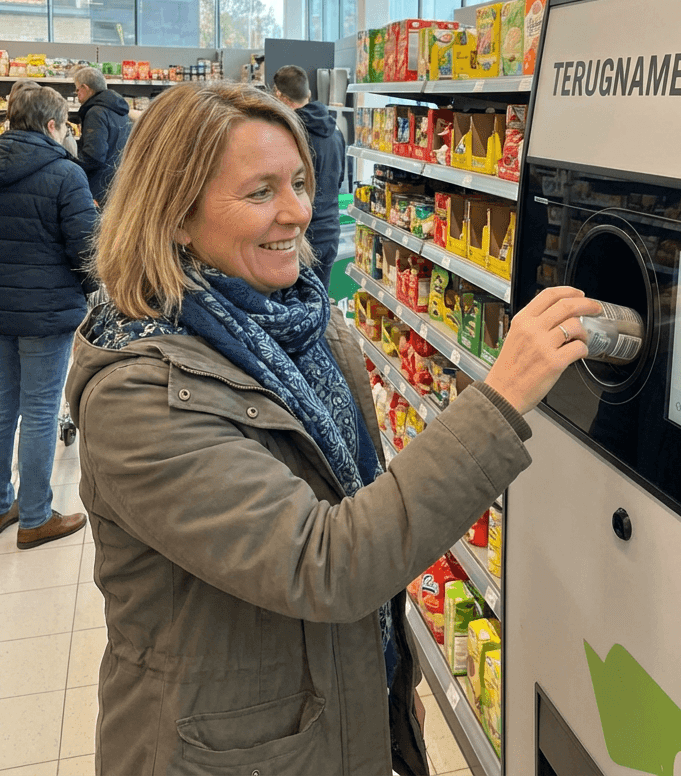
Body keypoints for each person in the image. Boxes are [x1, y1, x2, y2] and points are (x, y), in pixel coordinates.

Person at [65, 80, 600, 776]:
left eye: (298, 181)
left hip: (335, 712)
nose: (297, 212)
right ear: (174, 216)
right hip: (226, 753)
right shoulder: (139, 394)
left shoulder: (304, 323)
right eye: (260, 193)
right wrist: (497, 399)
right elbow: (326, 562)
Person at [0, 85, 96, 548]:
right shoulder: (64, 174)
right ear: (54, 126)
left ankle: (2, 504)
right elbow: (85, 250)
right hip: (46, 311)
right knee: (39, 410)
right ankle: (36, 516)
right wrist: (93, 290)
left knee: (2, 409)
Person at [272, 64, 346, 292]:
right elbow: (340, 179)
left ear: (279, 96)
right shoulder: (336, 132)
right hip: (330, 230)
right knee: (319, 302)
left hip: (298, 235)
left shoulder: (289, 135)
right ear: (309, 94)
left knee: (291, 308)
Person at [72, 65, 131, 204]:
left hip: (98, 187)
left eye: (77, 89)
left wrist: (71, 163)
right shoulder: (118, 109)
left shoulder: (96, 112)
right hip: (116, 182)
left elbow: (94, 156)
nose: (77, 93)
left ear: (85, 88)